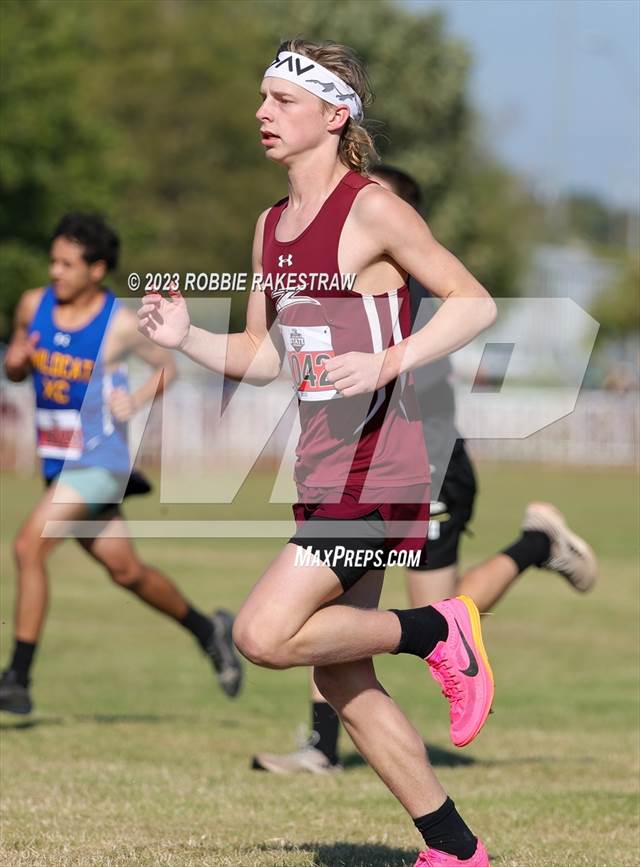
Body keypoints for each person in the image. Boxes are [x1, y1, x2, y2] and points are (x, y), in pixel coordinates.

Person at [139, 39, 499, 867]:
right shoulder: (269, 226)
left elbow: (471, 302)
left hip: (385, 460)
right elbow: (266, 356)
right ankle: (455, 849)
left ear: (335, 116)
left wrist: (386, 359)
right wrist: (187, 334)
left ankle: (434, 628)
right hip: (323, 468)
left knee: (266, 635)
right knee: (340, 677)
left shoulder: (371, 207)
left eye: (282, 101)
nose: (262, 113)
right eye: (262, 98)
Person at [251, 165, 599, 777]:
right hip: (357, 478)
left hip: (427, 470)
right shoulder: (341, 280)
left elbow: (435, 367)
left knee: (430, 607)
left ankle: (531, 546)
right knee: (337, 619)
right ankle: (323, 746)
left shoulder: (409, 298)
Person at [0, 212, 243, 716]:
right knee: (126, 571)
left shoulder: (121, 323)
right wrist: (17, 363)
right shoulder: (32, 306)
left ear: (97, 269)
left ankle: (17, 679)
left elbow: (167, 368)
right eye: (53, 261)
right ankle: (208, 630)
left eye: (67, 264)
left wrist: (135, 398)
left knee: (28, 547)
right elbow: (18, 370)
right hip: (57, 461)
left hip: (100, 458)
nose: (55, 272)